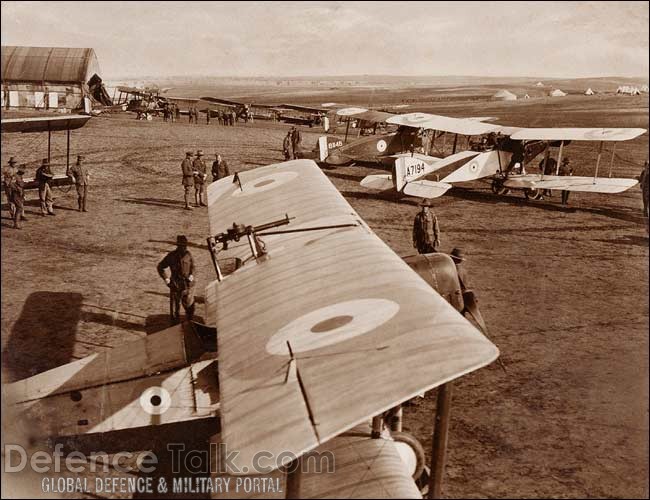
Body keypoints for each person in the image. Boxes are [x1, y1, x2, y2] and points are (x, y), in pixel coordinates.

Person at [157, 235, 196, 323]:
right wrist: (166, 279)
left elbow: (193, 267)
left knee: (190, 308)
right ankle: (175, 327)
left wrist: (192, 275)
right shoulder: (171, 256)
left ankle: (190, 325)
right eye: (182, 246)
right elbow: (160, 267)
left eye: (185, 246)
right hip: (175, 285)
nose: (184, 248)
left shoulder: (188, 255)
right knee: (175, 312)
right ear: (178, 246)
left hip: (188, 286)